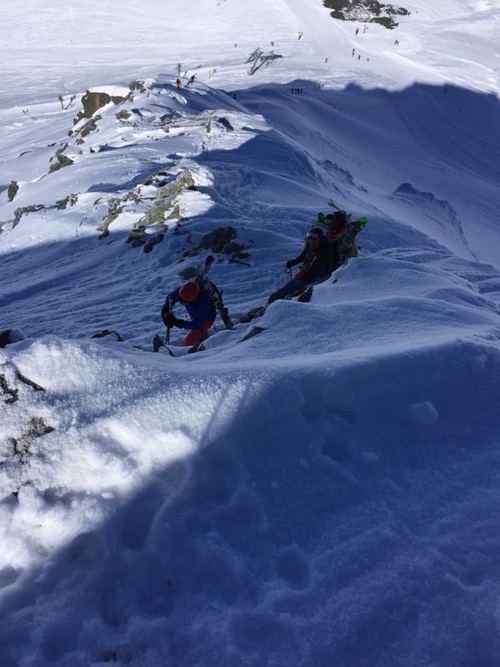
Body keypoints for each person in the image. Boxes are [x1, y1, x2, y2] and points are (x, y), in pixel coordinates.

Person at [267, 227, 331, 303]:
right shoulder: (309, 246)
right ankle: (273, 301)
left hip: (311, 278)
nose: (311, 240)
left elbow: (325, 269)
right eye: (309, 237)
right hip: (305, 273)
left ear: (321, 239)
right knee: (290, 287)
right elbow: (301, 257)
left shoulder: (326, 251)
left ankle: (275, 302)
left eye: (314, 238)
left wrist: (309, 273)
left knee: (291, 288)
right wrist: (292, 262)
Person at [161, 280, 216, 346]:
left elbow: (197, 324)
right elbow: (171, 297)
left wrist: (180, 323)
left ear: (194, 300)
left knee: (189, 341)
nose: (183, 303)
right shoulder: (186, 289)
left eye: (185, 303)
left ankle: (204, 350)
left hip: (206, 320)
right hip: (196, 316)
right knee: (199, 334)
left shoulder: (204, 303)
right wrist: (165, 310)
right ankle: (203, 338)